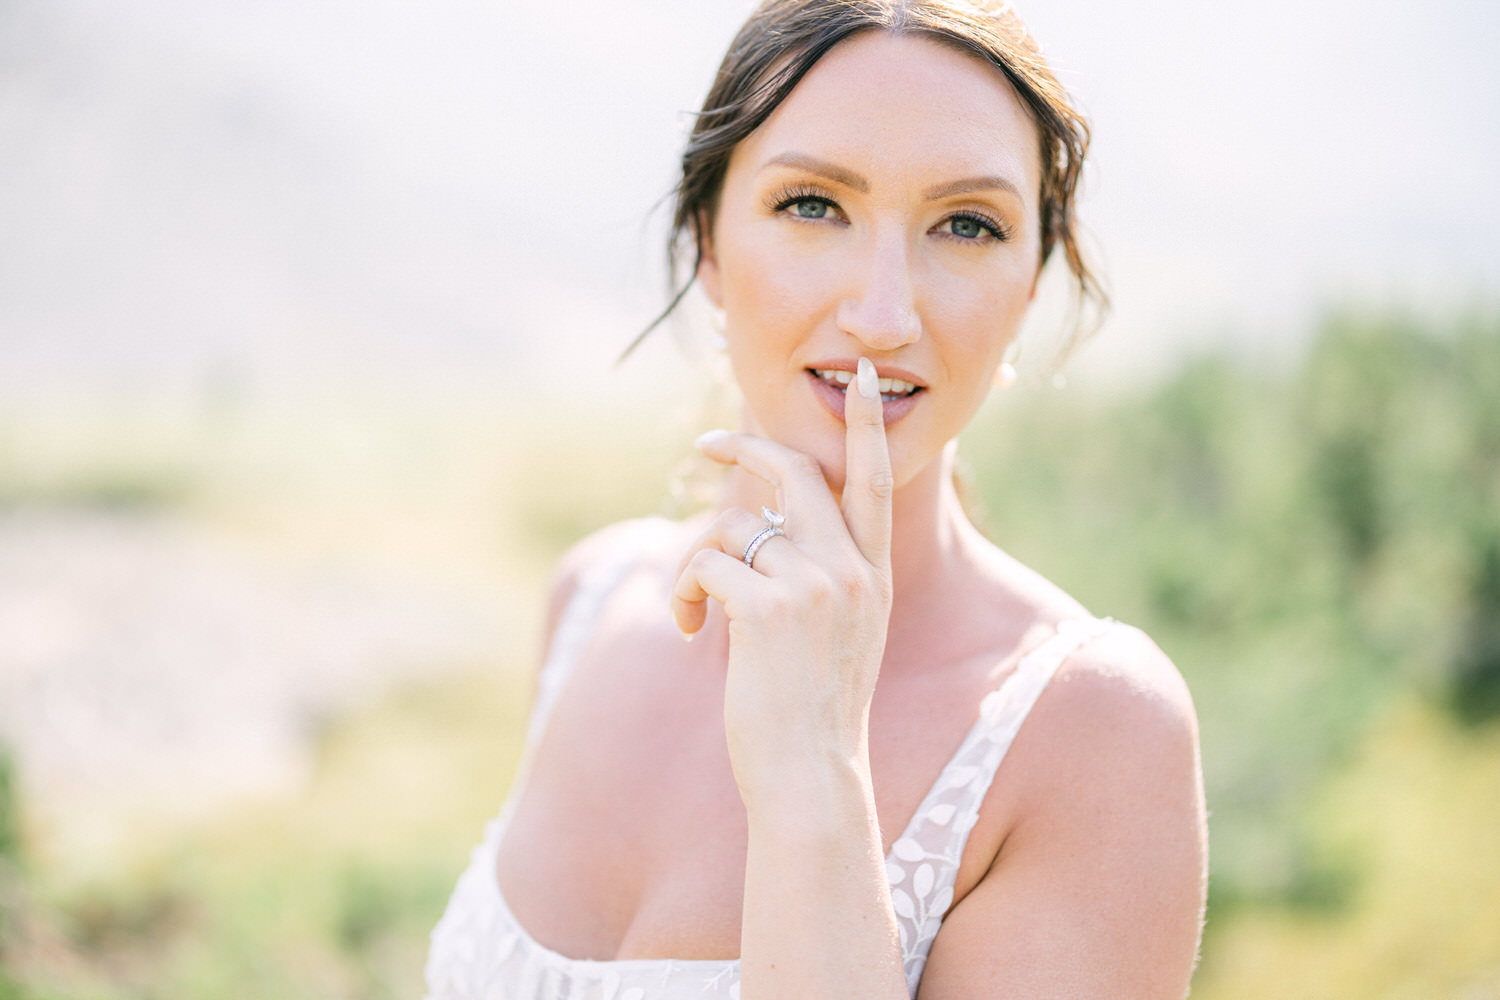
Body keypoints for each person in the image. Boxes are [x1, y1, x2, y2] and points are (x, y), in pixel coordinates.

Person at [425, 1, 1207, 997]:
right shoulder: (592, 596)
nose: (883, 316)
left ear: (1029, 286)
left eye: (968, 224)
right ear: (709, 242)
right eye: (812, 205)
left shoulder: (1095, 730)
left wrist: (815, 781)